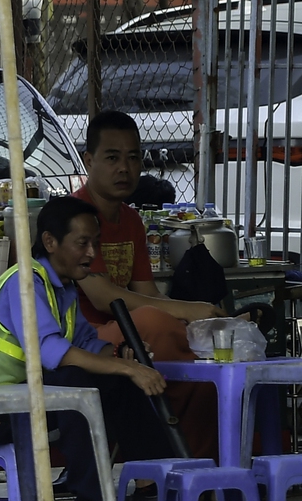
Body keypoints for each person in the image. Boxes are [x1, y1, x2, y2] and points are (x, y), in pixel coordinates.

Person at [0, 194, 175, 501]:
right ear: (50, 242)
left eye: (94, 244)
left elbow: (88, 345)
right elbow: (52, 351)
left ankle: (151, 487)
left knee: (115, 382)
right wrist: (128, 369)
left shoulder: (63, 292)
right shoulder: (24, 283)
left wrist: (123, 359)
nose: (91, 254)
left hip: (21, 400)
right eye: (82, 243)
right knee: (74, 383)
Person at [70, 110, 223, 455]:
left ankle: (200, 467)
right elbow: (102, 298)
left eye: (133, 157)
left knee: (204, 355)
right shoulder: (73, 216)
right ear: (89, 160)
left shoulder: (133, 220)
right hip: (80, 336)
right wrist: (189, 309)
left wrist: (197, 317)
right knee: (154, 323)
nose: (124, 168)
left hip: (124, 329)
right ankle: (152, 466)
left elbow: (147, 294)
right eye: (112, 158)